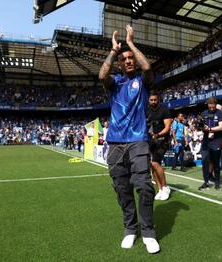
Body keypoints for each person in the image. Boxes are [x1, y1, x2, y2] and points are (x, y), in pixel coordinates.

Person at [98, 24, 160, 253]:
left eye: (130, 57)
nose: (128, 61)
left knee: (143, 186)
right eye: (124, 59)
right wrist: (114, 51)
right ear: (119, 63)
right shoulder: (114, 83)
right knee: (122, 188)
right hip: (115, 143)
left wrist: (131, 43)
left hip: (138, 140)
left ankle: (148, 232)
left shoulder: (143, 82)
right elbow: (101, 75)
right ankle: (130, 229)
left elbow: (148, 67)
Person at [147, 91, 173, 201]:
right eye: (151, 100)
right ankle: (160, 189)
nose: (153, 102)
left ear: (158, 100)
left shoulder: (164, 110)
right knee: (152, 165)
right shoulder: (146, 110)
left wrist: (158, 135)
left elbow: (167, 127)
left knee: (155, 163)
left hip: (163, 140)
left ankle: (165, 187)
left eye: (155, 100)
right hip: (151, 140)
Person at [198, 97, 222, 190]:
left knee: (216, 162)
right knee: (205, 161)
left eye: (213, 107)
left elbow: (221, 126)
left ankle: (217, 181)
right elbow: (201, 126)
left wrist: (210, 129)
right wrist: (201, 126)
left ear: (215, 105)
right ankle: (206, 182)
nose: (211, 108)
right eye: (210, 107)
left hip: (216, 140)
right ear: (208, 105)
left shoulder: (220, 113)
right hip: (206, 141)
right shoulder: (204, 113)